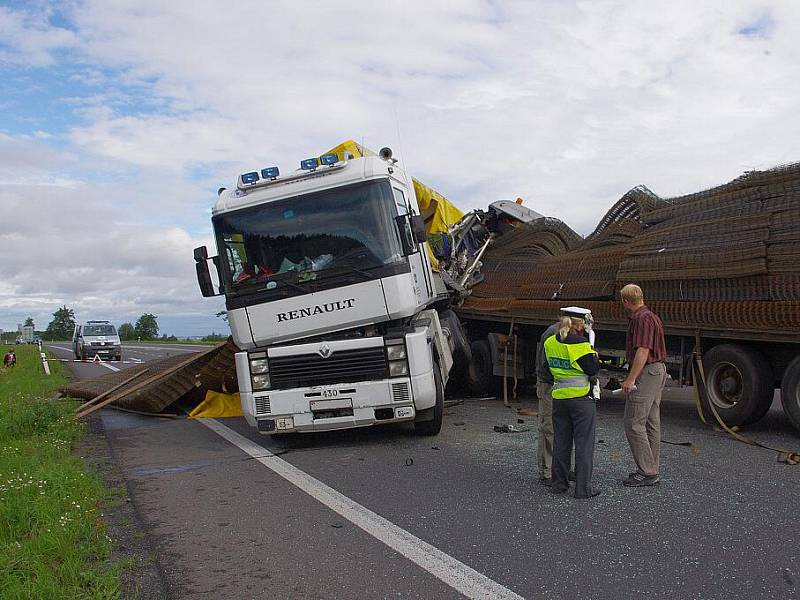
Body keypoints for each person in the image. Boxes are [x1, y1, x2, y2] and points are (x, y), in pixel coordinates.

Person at [544, 311, 601, 498]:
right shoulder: (581, 344)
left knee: (561, 442)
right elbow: (592, 369)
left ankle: (559, 484)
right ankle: (583, 489)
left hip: (560, 398)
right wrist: (594, 354)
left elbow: (546, 370)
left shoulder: (549, 342)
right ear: (579, 325)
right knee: (584, 444)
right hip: (581, 399)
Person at [620, 283, 667, 487]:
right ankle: (651, 468)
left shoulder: (641, 319)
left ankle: (647, 471)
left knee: (633, 422)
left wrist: (631, 378)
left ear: (625, 301)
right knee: (650, 421)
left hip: (647, 372)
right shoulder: (652, 316)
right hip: (657, 370)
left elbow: (643, 350)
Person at [535, 320, 559, 485]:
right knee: (548, 426)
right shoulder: (552, 333)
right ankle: (547, 471)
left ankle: (558, 467)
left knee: (562, 428)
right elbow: (546, 365)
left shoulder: (573, 333)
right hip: (549, 384)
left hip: (561, 385)